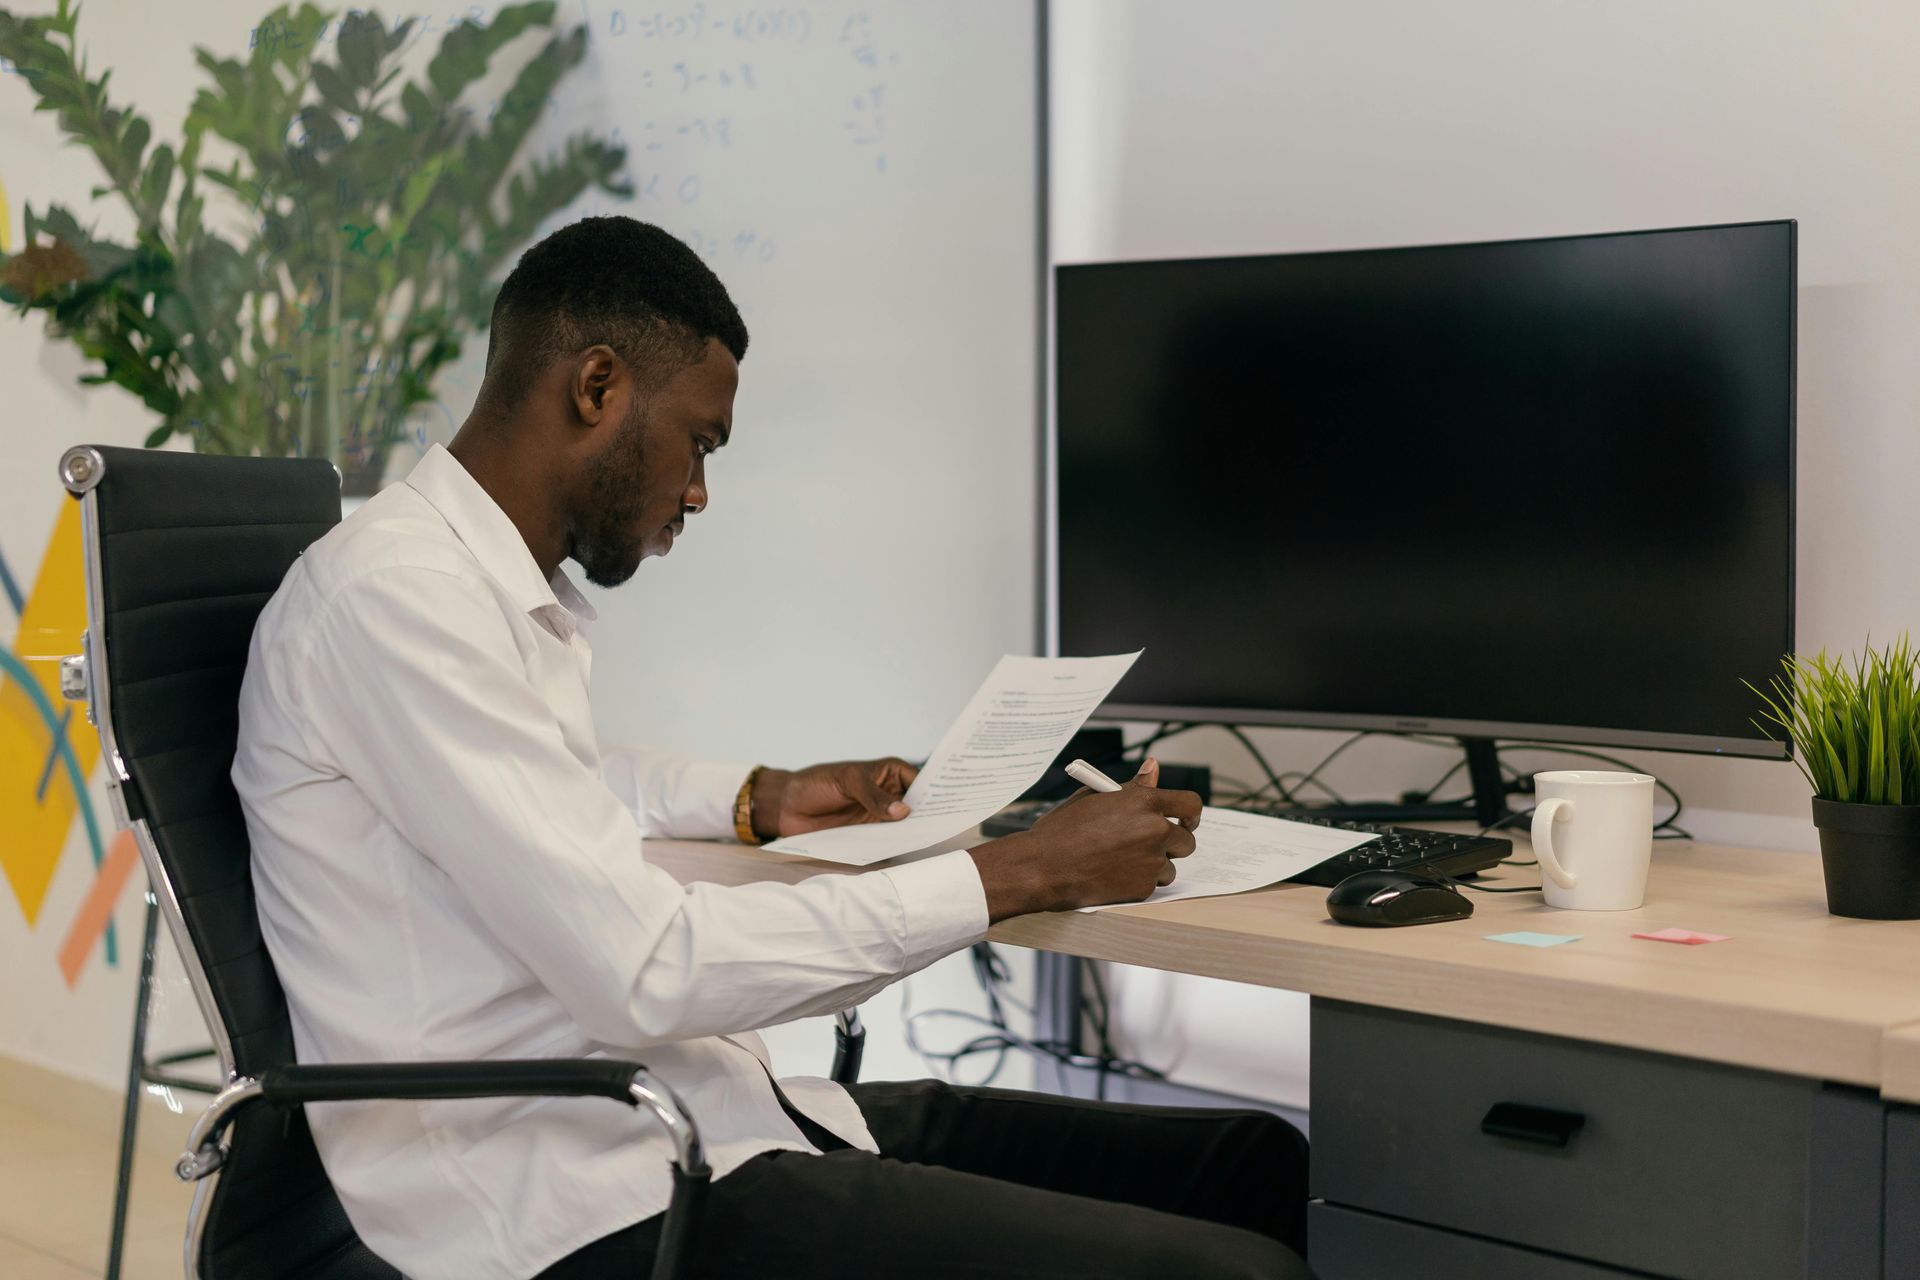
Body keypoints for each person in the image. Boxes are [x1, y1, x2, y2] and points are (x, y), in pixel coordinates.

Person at [233, 215, 1311, 1279]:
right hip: (575, 1198)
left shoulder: (466, 588)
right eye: (700, 441)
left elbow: (545, 776)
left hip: (704, 1114)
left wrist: (762, 797)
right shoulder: (397, 597)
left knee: (1258, 1163)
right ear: (597, 387)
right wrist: (1016, 870)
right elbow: (646, 971)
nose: (698, 490)